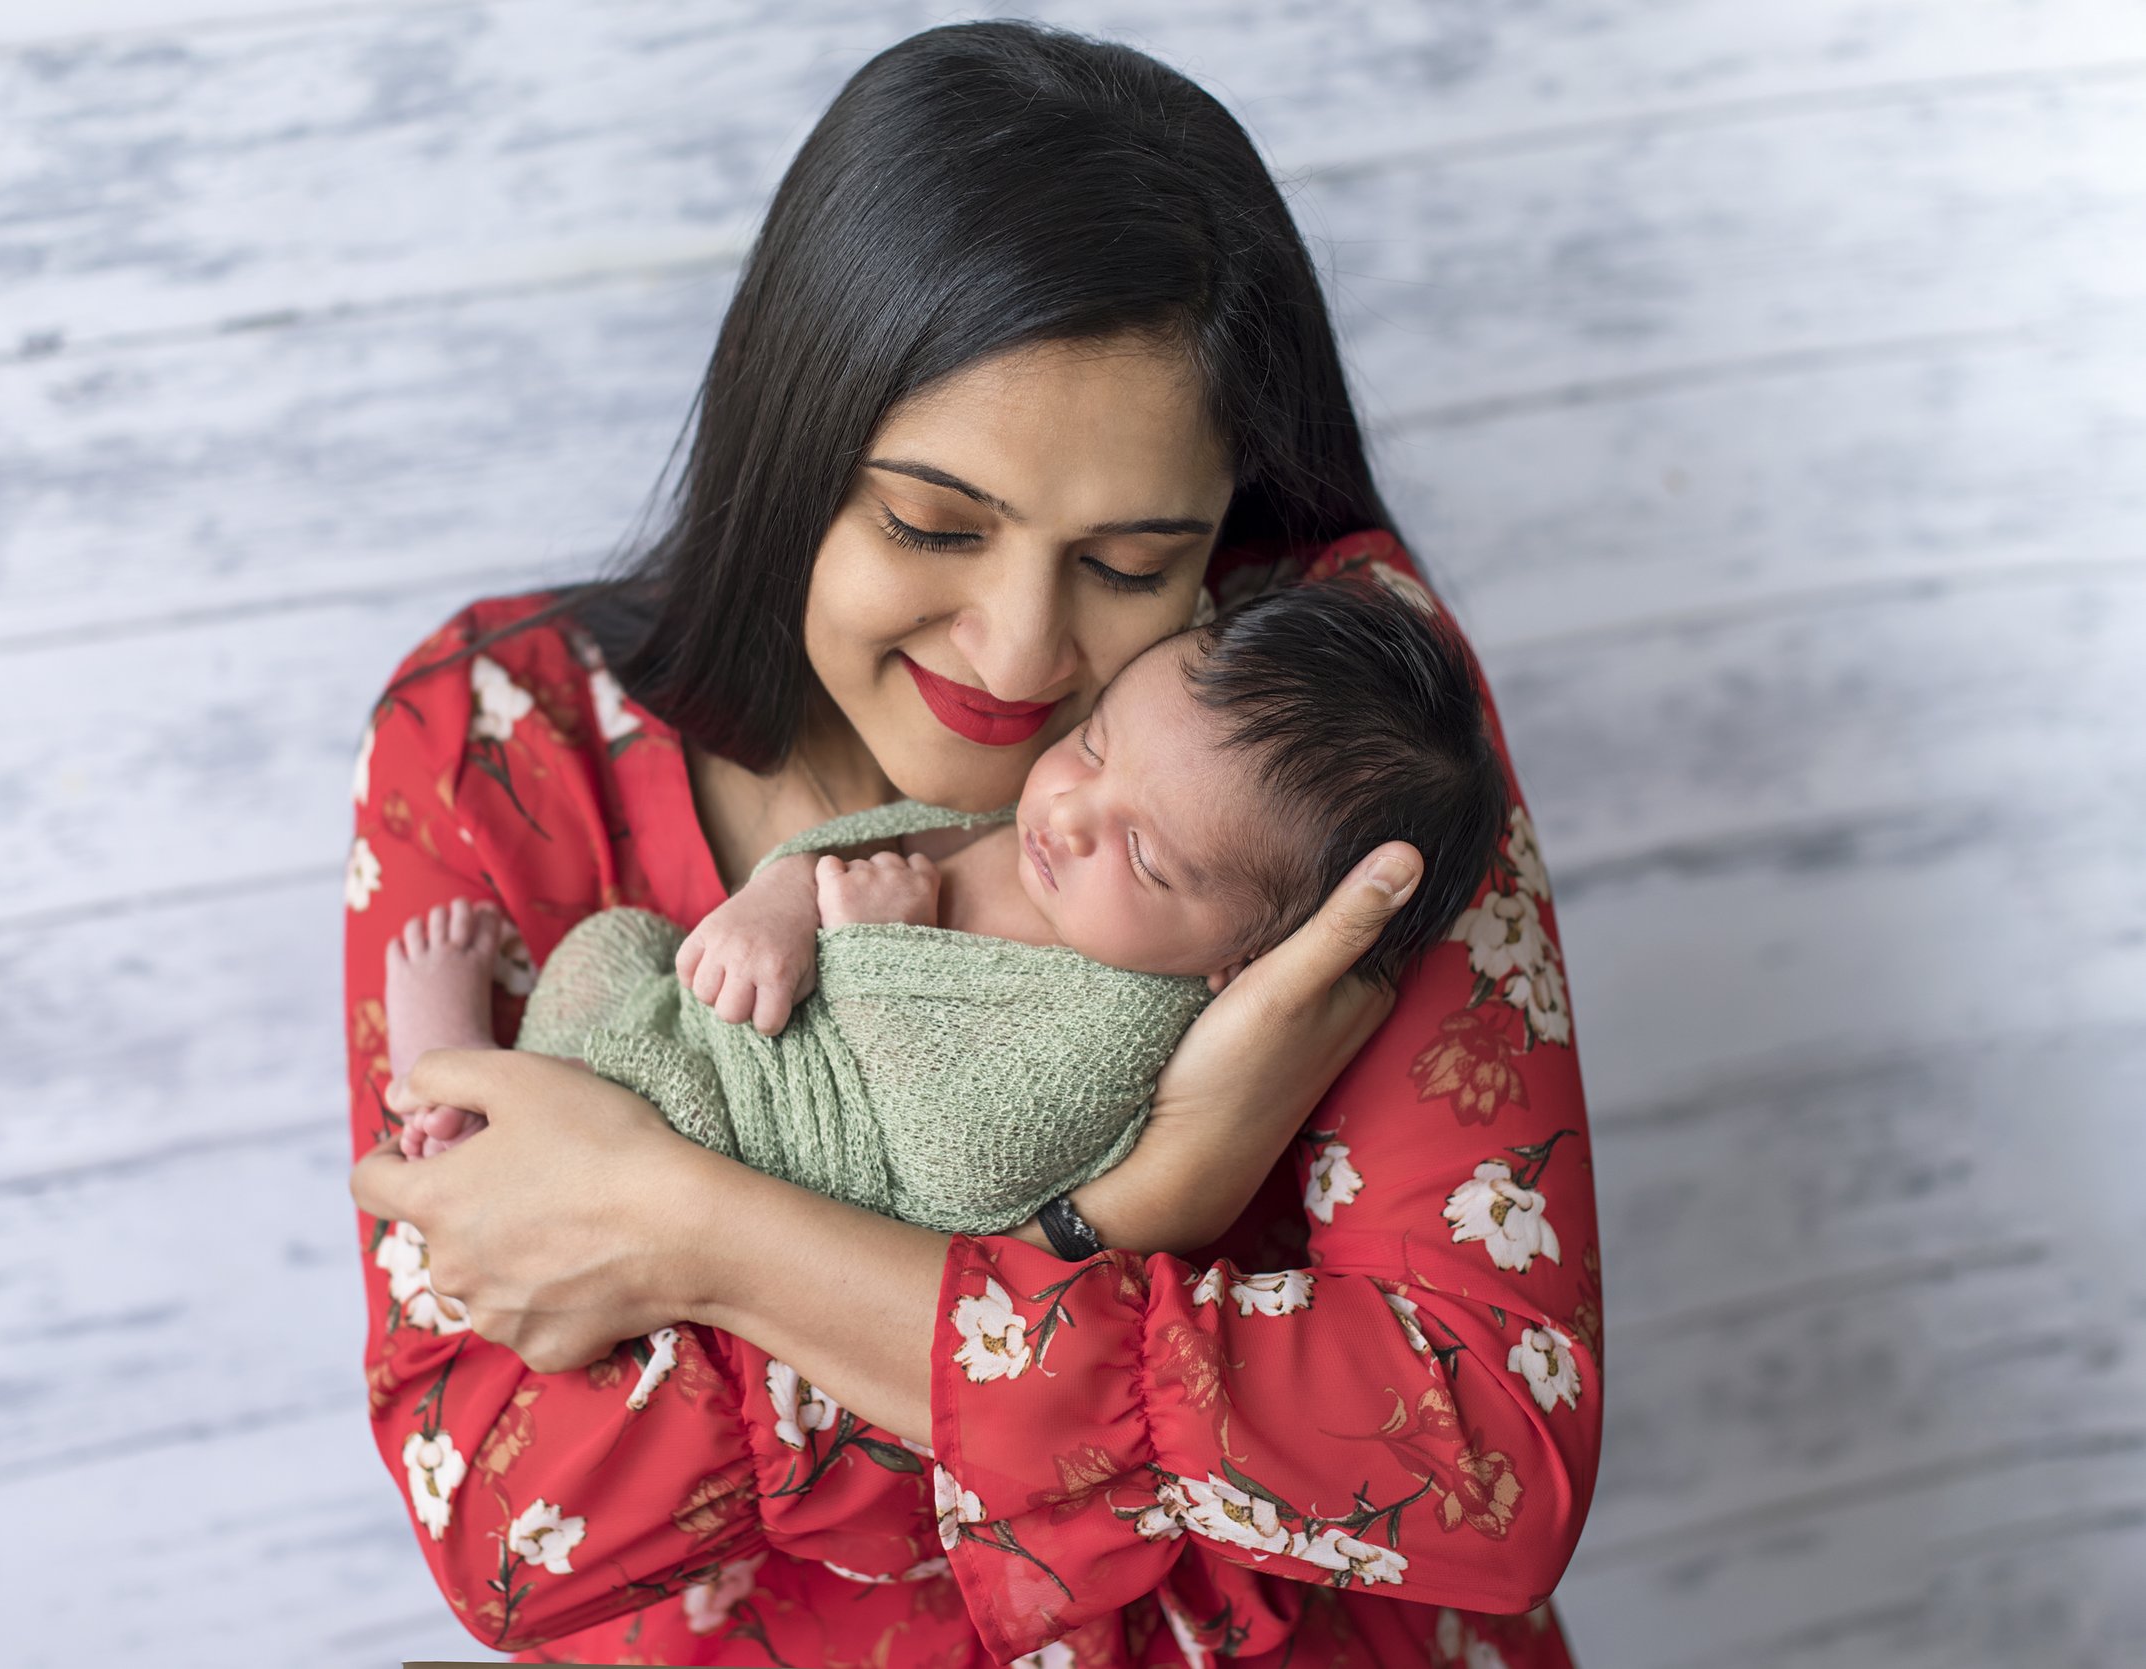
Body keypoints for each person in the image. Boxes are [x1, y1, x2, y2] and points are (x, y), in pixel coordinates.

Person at [345, 20, 1599, 1668]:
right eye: (932, 525)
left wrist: (690, 1234)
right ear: (787, 446)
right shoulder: (502, 737)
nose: (1017, 656)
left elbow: (1483, 1467)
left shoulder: (1318, 714)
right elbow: (518, 1531)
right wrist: (1150, 1208)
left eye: (1137, 561)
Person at [379, 580, 1508, 1258]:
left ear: (1248, 959)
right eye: (1098, 742)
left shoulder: (1124, 1015)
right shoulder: (1032, 836)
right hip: (711, 1027)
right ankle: (470, 1087)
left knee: (600, 1127)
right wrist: (779, 897)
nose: (1066, 814)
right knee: (614, 952)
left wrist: (878, 948)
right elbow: (875, 844)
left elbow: (962, 1163)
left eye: (1145, 855)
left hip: (761, 1146)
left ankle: (453, 1088)